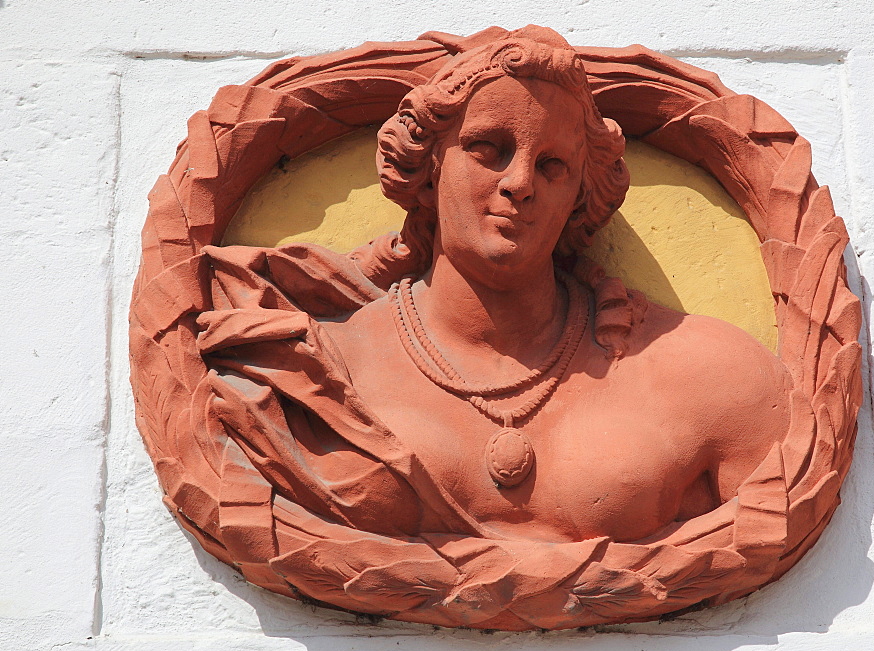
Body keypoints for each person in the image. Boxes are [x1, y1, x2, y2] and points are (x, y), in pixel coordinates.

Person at [196, 26, 789, 547]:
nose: (520, 183)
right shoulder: (313, 368)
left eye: (553, 165)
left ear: (580, 199)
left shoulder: (711, 374)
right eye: (489, 150)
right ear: (428, 170)